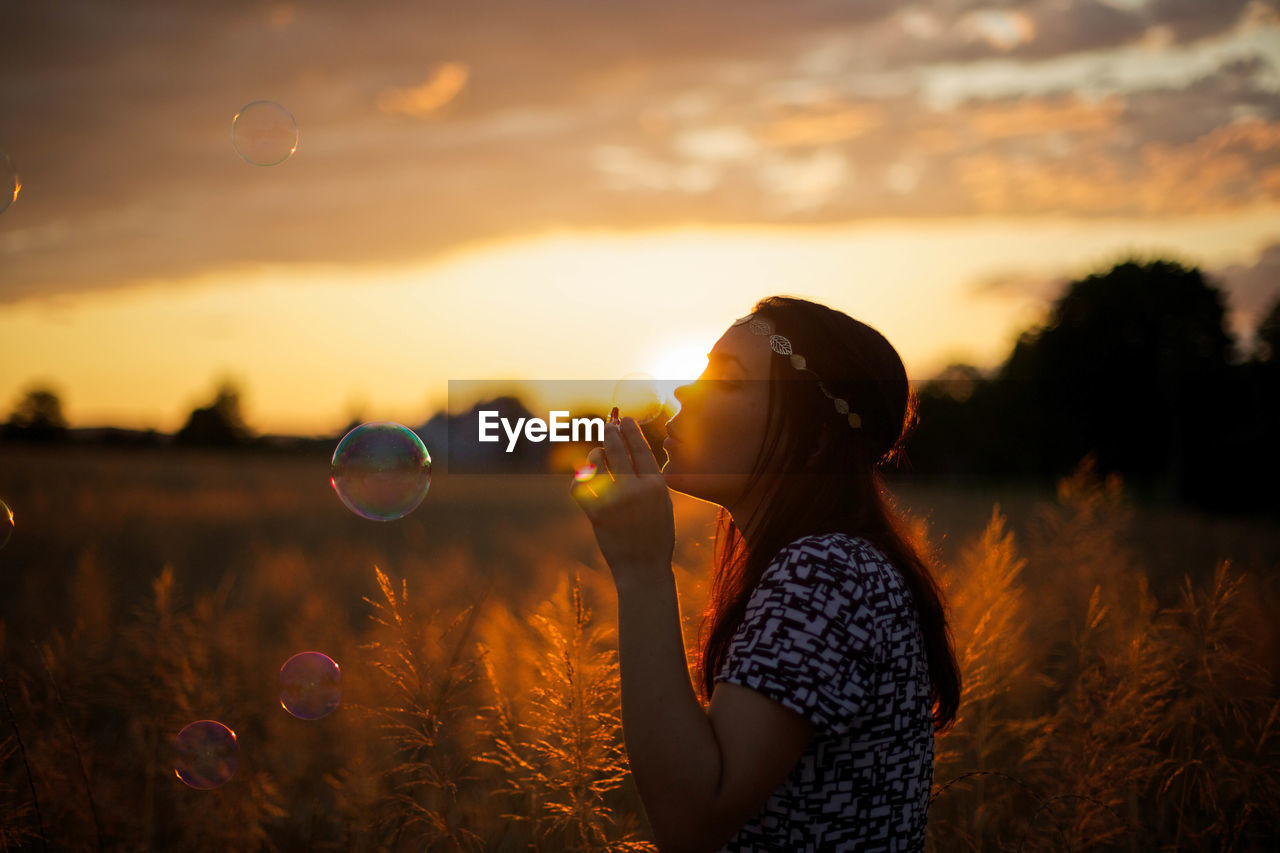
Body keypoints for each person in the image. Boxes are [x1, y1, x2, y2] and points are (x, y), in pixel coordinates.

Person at [570, 295, 962, 852]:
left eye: (727, 379)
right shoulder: (830, 562)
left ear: (818, 438)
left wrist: (641, 570)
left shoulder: (827, 572)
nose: (684, 391)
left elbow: (693, 820)